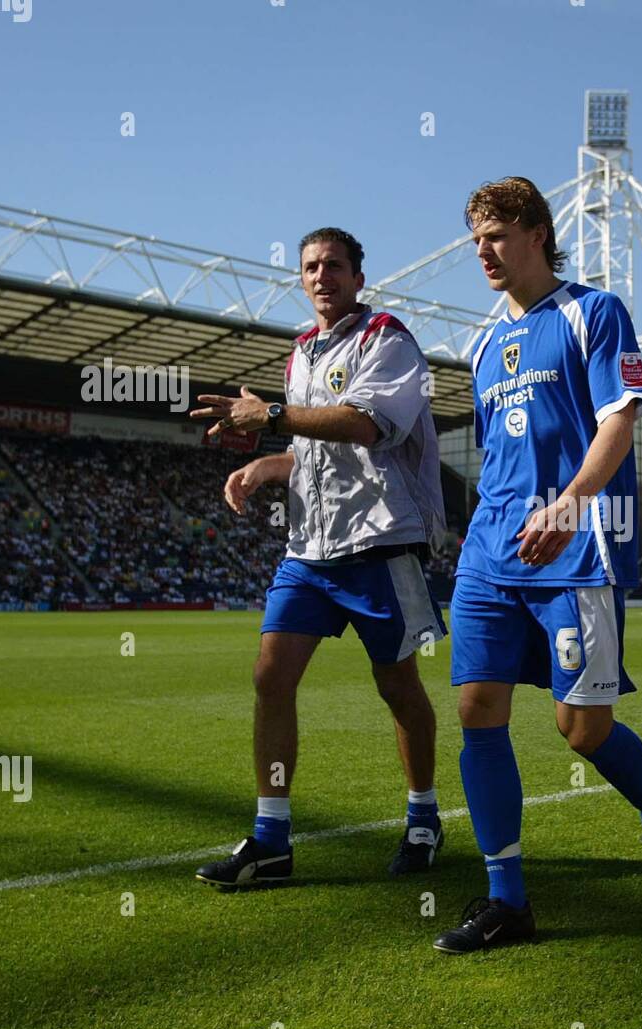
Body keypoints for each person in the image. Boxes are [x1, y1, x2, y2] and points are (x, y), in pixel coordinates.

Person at [432, 177, 642, 954]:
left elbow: (621, 421)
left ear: (540, 233)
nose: (484, 250)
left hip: (577, 549)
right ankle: (507, 897)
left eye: (498, 234)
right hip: (490, 552)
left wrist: (572, 500)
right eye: (475, 238)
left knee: (581, 730)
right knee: (478, 710)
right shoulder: (479, 346)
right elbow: (499, 451)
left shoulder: (593, 312)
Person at [190, 227, 449, 887]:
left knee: (397, 687)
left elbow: (364, 425)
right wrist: (266, 466)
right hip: (309, 550)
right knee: (271, 676)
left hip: (382, 544)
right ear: (300, 278)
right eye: (309, 266)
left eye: (334, 265)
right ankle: (271, 838)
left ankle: (423, 816)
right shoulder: (301, 352)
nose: (321, 275)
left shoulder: (389, 339)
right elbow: (312, 448)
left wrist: (271, 415)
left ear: (359, 277)